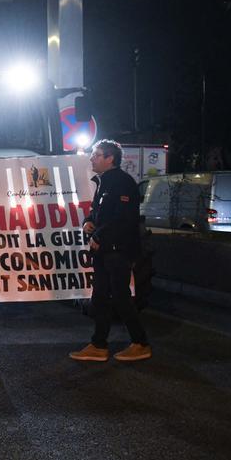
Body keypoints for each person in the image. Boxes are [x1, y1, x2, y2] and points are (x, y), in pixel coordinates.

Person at [70, 139, 152, 362]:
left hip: (118, 251)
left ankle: (140, 343)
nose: (91, 158)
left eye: (96, 155)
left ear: (110, 159)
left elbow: (123, 219)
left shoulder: (123, 183)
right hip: (104, 251)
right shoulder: (103, 182)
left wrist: (98, 236)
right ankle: (99, 345)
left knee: (121, 297)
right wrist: (88, 221)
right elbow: (99, 213)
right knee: (100, 297)